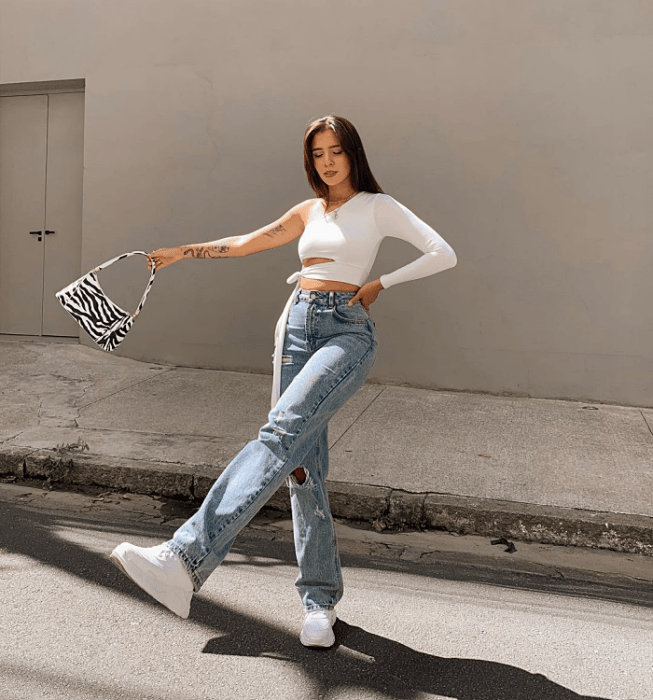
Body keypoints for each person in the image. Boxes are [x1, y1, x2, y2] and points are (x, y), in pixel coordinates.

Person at [110, 115, 457, 648]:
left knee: (279, 432)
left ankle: (183, 558)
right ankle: (320, 605)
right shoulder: (309, 210)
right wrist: (184, 251)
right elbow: (249, 242)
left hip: (346, 331)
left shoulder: (377, 206)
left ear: (353, 153)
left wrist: (380, 283)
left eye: (335, 150)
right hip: (296, 327)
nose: (327, 161)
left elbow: (442, 252)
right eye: (317, 153)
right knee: (301, 470)